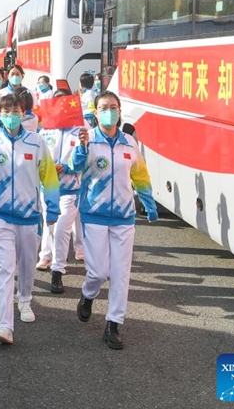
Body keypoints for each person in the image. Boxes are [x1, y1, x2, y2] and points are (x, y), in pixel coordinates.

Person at [0, 93, 59, 344]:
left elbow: (49, 178)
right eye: (5, 112)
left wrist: (52, 208)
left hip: (29, 217)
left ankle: (25, 300)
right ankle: (5, 325)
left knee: (27, 265)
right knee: (6, 268)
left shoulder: (37, 142)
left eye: (15, 111)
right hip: (0, 216)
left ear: (23, 113)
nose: (11, 116)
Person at [72, 91, 158, 350]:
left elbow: (140, 176)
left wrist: (150, 204)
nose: (109, 111)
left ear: (119, 112)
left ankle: (114, 324)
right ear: (96, 113)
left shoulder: (129, 143)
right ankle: (88, 295)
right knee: (98, 272)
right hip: (94, 215)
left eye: (113, 107)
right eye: (103, 108)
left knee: (121, 273)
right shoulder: (88, 140)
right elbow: (75, 167)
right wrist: (82, 148)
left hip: (123, 217)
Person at [36, 88, 83, 293]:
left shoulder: (80, 131)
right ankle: (47, 256)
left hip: (71, 189)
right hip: (48, 188)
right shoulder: (44, 131)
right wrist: (48, 166)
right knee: (51, 226)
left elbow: (85, 161)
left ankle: (58, 270)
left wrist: (67, 166)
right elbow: (36, 158)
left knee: (63, 226)